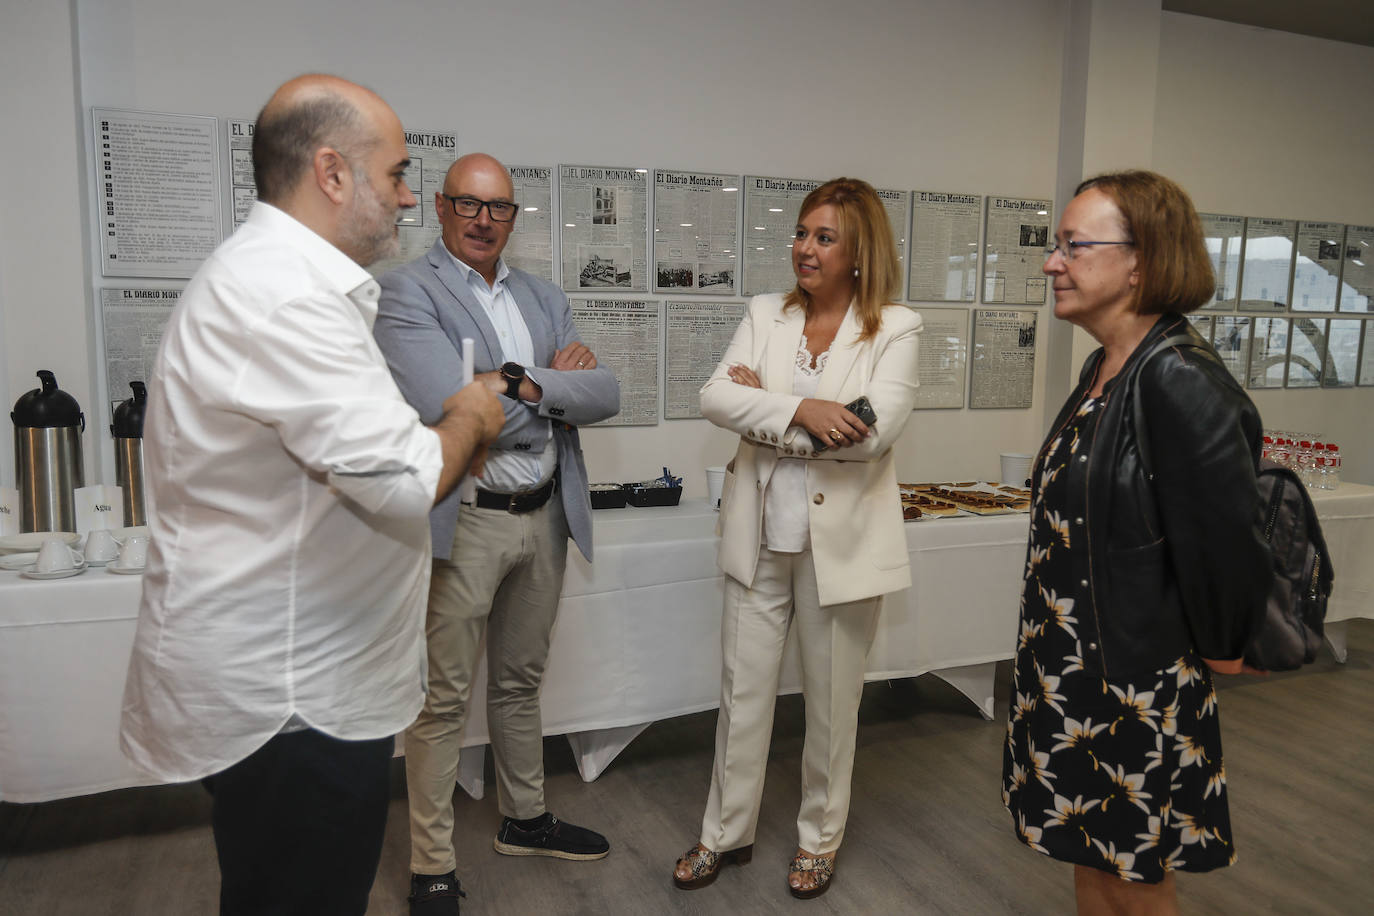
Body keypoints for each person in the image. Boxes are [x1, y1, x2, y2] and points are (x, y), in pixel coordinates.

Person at [119, 75, 506, 916]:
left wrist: (436, 444)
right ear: (333, 174)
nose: (410, 198)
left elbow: (374, 459)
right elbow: (407, 480)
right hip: (296, 703)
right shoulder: (287, 295)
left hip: (303, 687)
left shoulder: (282, 281)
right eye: (399, 175)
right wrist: (472, 415)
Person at [1002, 170, 1271, 915]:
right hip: (1072, 669)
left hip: (1133, 683)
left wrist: (1221, 643)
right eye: (1056, 247)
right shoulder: (1104, 366)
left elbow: (1224, 540)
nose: (1053, 263)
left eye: (1073, 246)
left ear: (1141, 263)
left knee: (1134, 875)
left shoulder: (1180, 378)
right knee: (1091, 858)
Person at [374, 153, 620, 914]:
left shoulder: (544, 296)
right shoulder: (406, 290)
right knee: (442, 699)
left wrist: (512, 382)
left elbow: (605, 393)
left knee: (518, 683)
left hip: (544, 516)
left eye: (500, 208)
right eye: (469, 205)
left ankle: (526, 818)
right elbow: (445, 403)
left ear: (515, 217)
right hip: (467, 522)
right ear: (443, 209)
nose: (484, 220)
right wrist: (549, 388)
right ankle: (432, 865)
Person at [673, 178, 922, 899]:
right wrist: (806, 409)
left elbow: (871, 434)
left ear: (859, 252)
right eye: (802, 233)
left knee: (832, 704)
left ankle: (820, 839)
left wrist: (767, 415)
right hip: (757, 541)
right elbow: (715, 396)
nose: (803, 248)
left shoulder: (896, 328)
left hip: (839, 551)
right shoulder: (765, 314)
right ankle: (724, 833)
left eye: (823, 237)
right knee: (740, 696)